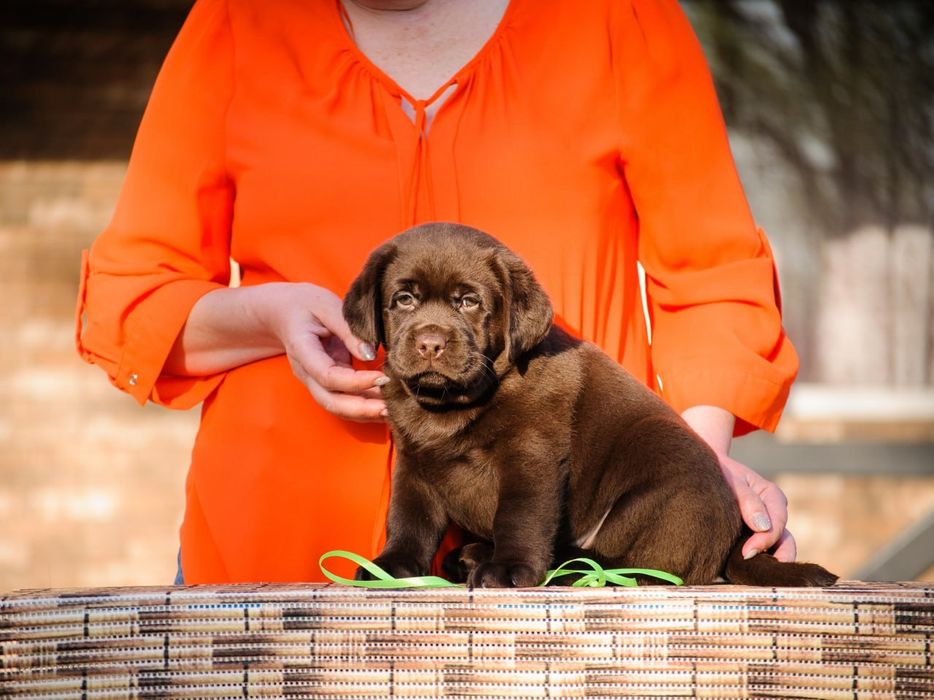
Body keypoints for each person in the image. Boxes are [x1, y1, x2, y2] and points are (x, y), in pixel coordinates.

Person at [77, 0, 800, 584]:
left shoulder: (618, 18)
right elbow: (133, 299)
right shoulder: (236, 25)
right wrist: (269, 316)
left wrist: (690, 464)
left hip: (563, 567)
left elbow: (714, 278)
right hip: (276, 564)